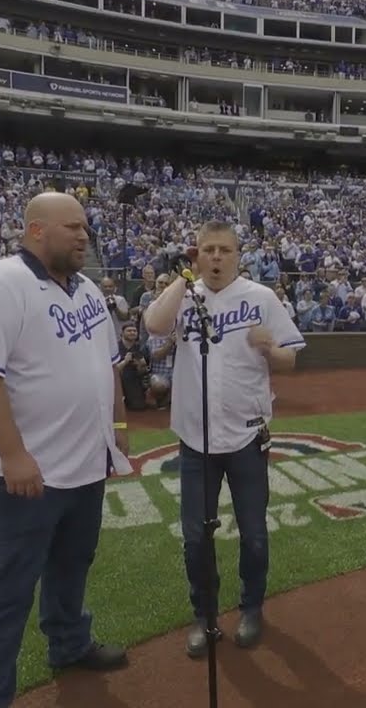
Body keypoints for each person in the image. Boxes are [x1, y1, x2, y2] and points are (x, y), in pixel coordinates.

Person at [0, 191, 131, 708]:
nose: (83, 235)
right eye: (72, 226)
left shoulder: (89, 288)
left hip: (85, 465)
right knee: (6, 591)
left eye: (86, 227)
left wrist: (116, 427)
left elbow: (108, 364)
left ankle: (69, 645)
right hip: (23, 474)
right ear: (35, 231)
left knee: (73, 566)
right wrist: (12, 454)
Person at [142, 220, 305, 659]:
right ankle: (204, 614)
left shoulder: (260, 298)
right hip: (195, 438)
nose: (215, 257)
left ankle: (251, 608)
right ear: (196, 254)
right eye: (206, 249)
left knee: (253, 534)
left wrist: (270, 349)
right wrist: (183, 276)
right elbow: (154, 326)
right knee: (196, 536)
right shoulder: (185, 294)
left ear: (238, 255)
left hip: (249, 435)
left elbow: (290, 359)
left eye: (224, 250)